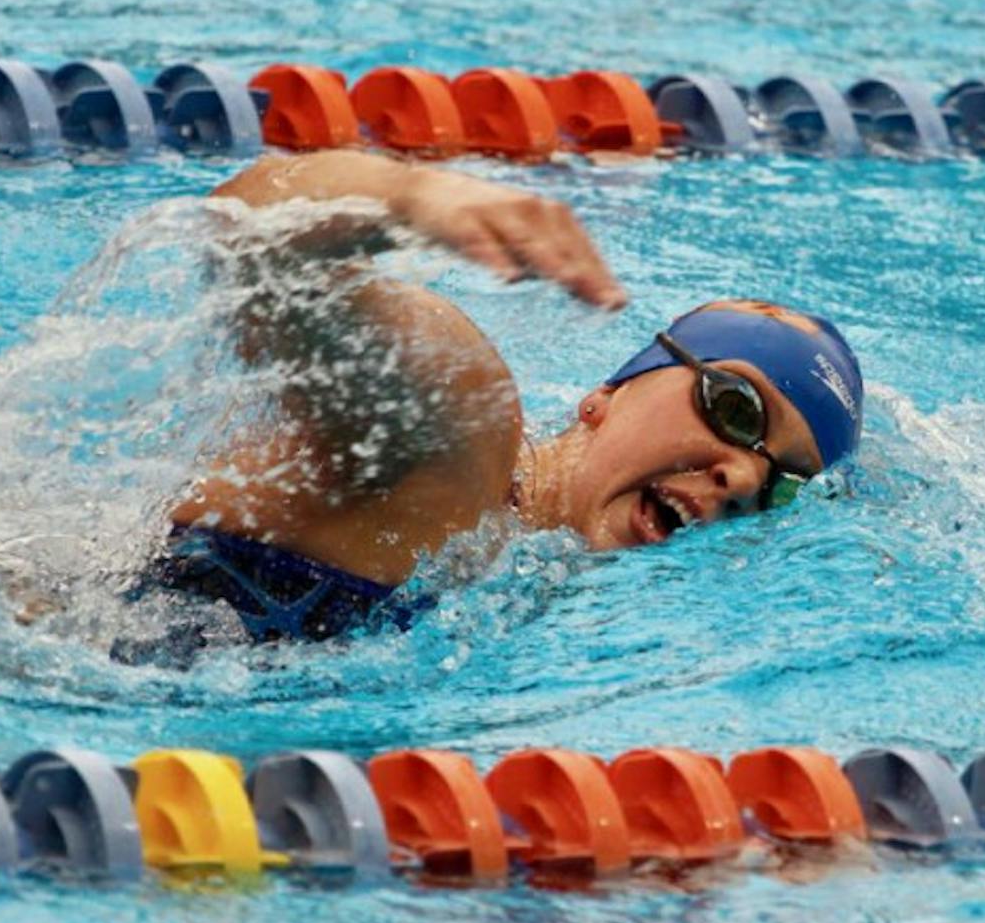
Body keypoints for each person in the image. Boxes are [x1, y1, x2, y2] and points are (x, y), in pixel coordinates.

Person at [121, 149, 862, 658]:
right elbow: (248, 240)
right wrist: (413, 196)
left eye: (781, 483)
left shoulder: (525, 573)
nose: (743, 478)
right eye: (735, 408)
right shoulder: (460, 432)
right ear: (605, 396)